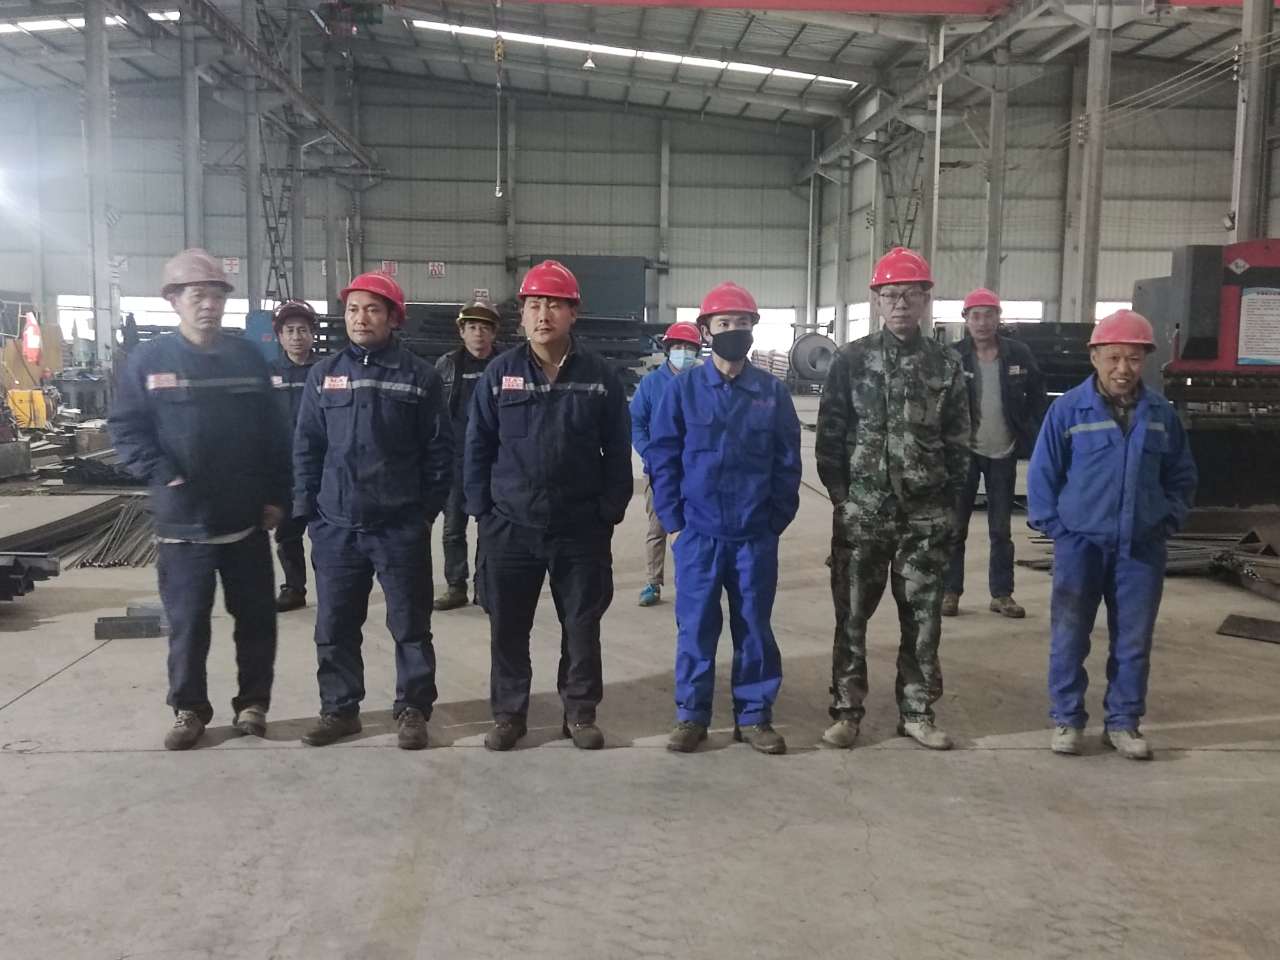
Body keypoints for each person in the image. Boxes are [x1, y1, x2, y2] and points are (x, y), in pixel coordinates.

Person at [110, 248, 289, 750]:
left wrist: (279, 495)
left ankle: (253, 704)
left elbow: (275, 435)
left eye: (215, 295)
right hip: (183, 525)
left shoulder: (246, 358)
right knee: (188, 626)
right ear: (173, 300)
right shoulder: (149, 361)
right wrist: (162, 473)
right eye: (196, 295)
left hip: (245, 519)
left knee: (256, 621)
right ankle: (188, 709)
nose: (208, 304)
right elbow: (125, 429)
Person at [465, 259, 632, 752]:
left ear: (573, 313)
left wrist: (609, 509)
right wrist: (483, 511)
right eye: (534, 305)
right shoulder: (500, 374)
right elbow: (477, 445)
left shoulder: (599, 376)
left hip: (579, 527)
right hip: (510, 525)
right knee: (508, 626)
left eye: (554, 305)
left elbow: (617, 448)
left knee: (581, 625)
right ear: (521, 314)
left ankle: (579, 713)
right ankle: (509, 715)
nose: (543, 315)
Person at [815, 247, 971, 752]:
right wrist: (843, 500)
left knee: (922, 621)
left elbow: (959, 441)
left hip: (924, 519)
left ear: (926, 300)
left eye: (910, 294)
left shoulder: (946, 364)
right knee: (852, 619)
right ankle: (847, 712)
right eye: (890, 295)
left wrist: (947, 508)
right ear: (877, 301)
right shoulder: (851, 360)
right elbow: (830, 436)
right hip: (864, 516)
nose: (900, 303)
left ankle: (918, 712)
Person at [292, 272, 453, 750]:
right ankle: (340, 710)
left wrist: (422, 514)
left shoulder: (419, 377)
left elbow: (439, 451)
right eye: (353, 309)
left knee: (410, 625)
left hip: (398, 527)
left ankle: (413, 709)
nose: (361, 318)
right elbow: (307, 446)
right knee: (335, 625)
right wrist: (311, 514)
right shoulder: (324, 375)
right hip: (336, 526)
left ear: (393, 318)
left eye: (372, 309)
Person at [1027, 309, 1196, 760]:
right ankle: (1067, 719)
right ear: (1095, 358)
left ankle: (1123, 723)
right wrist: (1058, 530)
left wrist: (1167, 520)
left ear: (1145, 361)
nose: (1123, 369)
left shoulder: (1161, 414)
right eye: (1114, 358)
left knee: (1133, 641)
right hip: (1080, 545)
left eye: (1134, 359)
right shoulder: (1067, 410)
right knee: (1070, 636)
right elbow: (1043, 474)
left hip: (1140, 547)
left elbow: (1182, 475)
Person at [647, 282, 801, 755]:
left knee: (754, 627)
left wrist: (774, 521)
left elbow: (787, 463)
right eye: (724, 323)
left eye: (742, 323)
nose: (734, 330)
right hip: (699, 534)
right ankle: (692, 716)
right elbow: (663, 456)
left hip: (754, 536)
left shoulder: (771, 393)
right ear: (707, 331)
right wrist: (674, 521)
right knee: (695, 627)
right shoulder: (684, 390)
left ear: (753, 329)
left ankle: (753, 717)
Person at [942, 288, 1047, 620]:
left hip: (1004, 450)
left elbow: (1038, 395)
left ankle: (1002, 594)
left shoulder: (1018, 354)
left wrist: (1032, 434)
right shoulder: (954, 356)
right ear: (966, 320)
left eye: (989, 315)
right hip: (964, 453)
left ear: (998, 318)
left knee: (1000, 529)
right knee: (955, 527)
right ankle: (950, 591)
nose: (982, 322)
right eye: (975, 315)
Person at [433, 297, 501, 611]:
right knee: (452, 529)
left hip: (494, 461)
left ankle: (485, 588)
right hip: (455, 460)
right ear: (461, 332)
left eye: (485, 328)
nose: (478, 334)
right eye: (472, 327)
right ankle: (456, 586)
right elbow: (435, 414)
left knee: (490, 527)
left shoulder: (506, 365)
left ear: (494, 333)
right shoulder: (446, 366)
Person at [629, 320, 703, 607]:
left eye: (689, 347)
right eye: (678, 346)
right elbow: (636, 423)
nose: (683, 352)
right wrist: (650, 454)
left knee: (695, 527)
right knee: (658, 527)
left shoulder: (702, 382)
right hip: (660, 470)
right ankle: (653, 582)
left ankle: (693, 580)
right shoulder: (651, 384)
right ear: (668, 349)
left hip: (695, 470)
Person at [270, 299, 319, 613]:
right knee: (287, 533)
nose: (296, 337)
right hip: (283, 469)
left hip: (320, 468)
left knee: (323, 533)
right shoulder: (269, 374)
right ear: (280, 336)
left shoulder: (327, 372)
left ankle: (331, 585)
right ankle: (294, 588)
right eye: (289, 331)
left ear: (312, 334)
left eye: (302, 330)